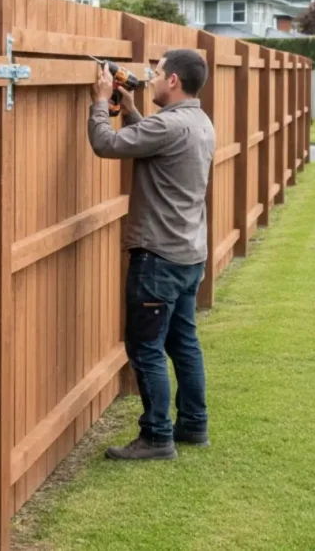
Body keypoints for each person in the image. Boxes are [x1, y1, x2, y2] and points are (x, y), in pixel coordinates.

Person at [87, 49, 216, 461]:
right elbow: (155, 144)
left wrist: (99, 99)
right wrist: (129, 109)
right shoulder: (197, 121)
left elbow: (105, 145)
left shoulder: (169, 125)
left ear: (173, 80)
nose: (151, 77)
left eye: (157, 73)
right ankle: (193, 426)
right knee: (184, 343)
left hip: (158, 257)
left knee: (145, 348)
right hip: (188, 254)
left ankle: (157, 437)